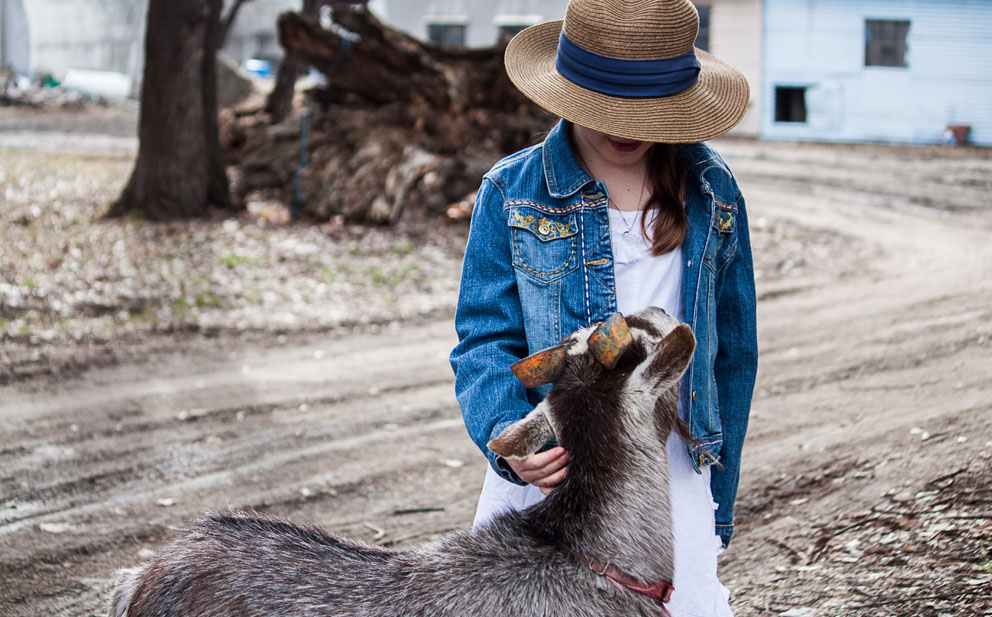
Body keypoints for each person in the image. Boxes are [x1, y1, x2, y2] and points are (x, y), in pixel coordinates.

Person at [449, 0, 758, 614]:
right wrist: (509, 439)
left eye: (646, 109)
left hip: (668, 475)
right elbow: (484, 340)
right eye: (606, 105)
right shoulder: (513, 194)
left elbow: (733, 356)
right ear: (569, 92)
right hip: (557, 466)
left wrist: (715, 497)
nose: (626, 126)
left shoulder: (713, 192)